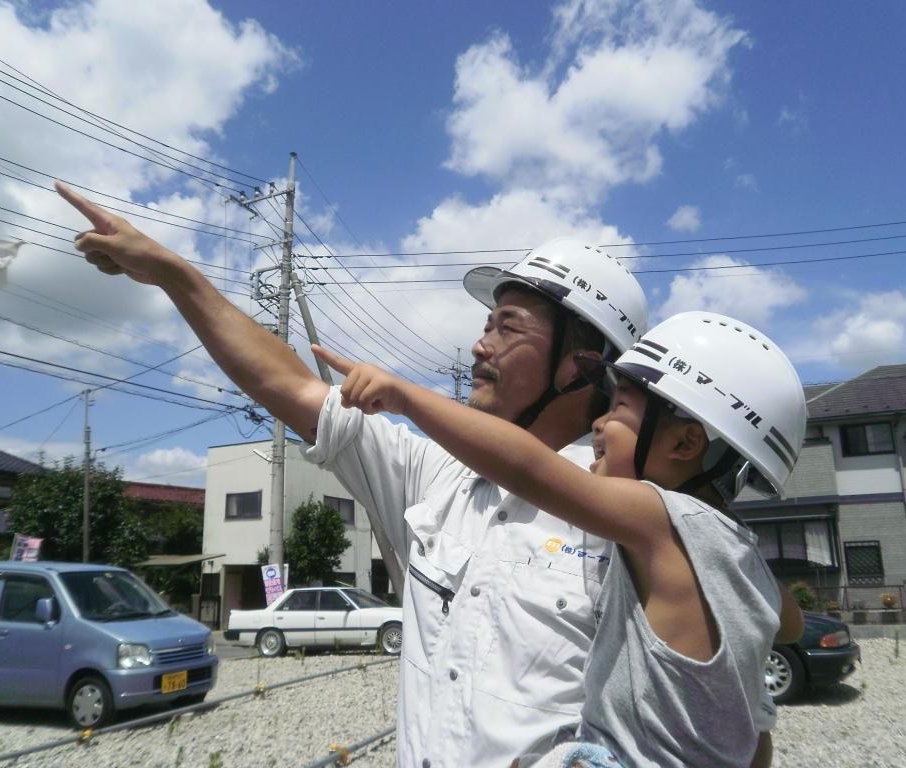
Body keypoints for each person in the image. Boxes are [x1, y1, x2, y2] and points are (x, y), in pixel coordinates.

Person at [55, 180, 651, 767]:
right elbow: (286, 384)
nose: (478, 345)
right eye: (486, 323)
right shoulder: (436, 473)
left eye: (508, 326)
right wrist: (172, 274)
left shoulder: (632, 519)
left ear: (579, 366)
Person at [309, 309, 808, 767]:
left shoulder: (659, 521)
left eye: (620, 409)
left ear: (684, 441)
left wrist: (405, 396)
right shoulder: (740, 558)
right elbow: (786, 631)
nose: (598, 423)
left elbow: (527, 466)